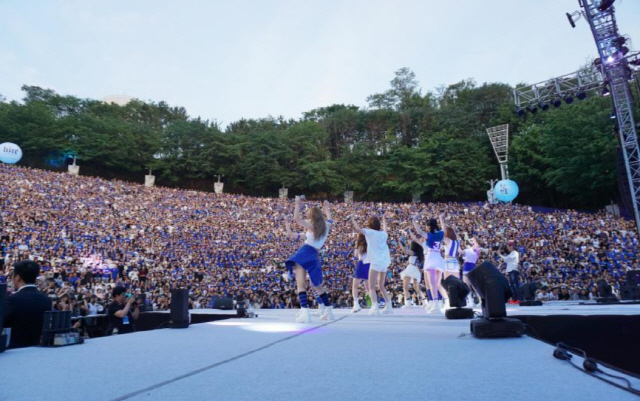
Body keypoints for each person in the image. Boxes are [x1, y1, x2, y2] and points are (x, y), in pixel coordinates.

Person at [283, 197, 334, 323]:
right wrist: (326, 208)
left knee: (301, 284)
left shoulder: (312, 228)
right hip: (314, 255)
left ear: (312, 218)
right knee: (316, 285)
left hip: (305, 252)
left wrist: (297, 203)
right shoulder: (326, 227)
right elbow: (330, 219)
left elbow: (297, 219)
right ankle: (329, 310)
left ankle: (305, 312)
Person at [350, 212, 393, 315]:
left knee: (372, 286)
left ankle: (375, 307)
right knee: (381, 286)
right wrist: (384, 218)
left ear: (370, 225)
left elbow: (358, 229)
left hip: (375, 262)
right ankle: (389, 306)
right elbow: (386, 229)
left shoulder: (370, 232)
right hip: (385, 262)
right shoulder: (383, 234)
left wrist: (352, 219)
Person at [3, 260, 52, 349]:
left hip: (14, 350)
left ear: (17, 277)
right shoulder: (46, 300)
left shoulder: (12, 300)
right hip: (37, 349)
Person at [409, 213, 446, 314]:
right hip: (439, 258)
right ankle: (438, 302)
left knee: (432, 284)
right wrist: (441, 218)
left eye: (427, 225)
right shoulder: (441, 234)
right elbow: (444, 228)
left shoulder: (429, 235)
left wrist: (414, 221)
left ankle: (435, 304)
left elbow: (419, 231)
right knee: (437, 283)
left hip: (431, 258)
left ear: (429, 226)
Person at [398, 241, 426, 308]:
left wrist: (400, 243)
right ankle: (425, 302)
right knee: (417, 288)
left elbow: (405, 251)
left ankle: (408, 303)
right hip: (415, 270)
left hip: (411, 268)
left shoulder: (413, 252)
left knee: (405, 287)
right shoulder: (419, 255)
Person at [351, 233, 370, 313]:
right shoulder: (370, 244)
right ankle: (372, 303)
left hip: (361, 264)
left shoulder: (359, 246)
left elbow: (356, 255)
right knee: (369, 287)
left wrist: (356, 244)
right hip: (369, 265)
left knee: (355, 286)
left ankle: (356, 304)